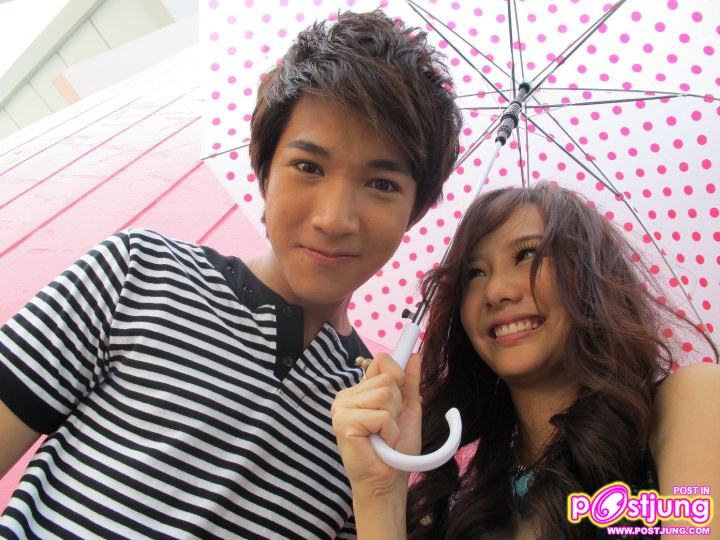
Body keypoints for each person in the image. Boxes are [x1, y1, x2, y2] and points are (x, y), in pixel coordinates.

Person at [0, 10, 462, 539]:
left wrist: (382, 490)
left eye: (381, 184)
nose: (334, 219)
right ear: (264, 170)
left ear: (415, 211)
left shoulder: (377, 420)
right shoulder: (135, 274)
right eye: (308, 166)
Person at [332, 183, 720, 539]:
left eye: (527, 254)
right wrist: (379, 492)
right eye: (474, 273)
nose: (496, 291)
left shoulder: (690, 401)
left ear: (591, 275)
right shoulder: (465, 503)